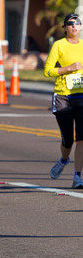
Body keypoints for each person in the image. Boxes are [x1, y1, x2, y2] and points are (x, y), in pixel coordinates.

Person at [44, 13, 83, 189]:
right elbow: (48, 71)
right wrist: (68, 68)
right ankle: (64, 159)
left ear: (81, 27)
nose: (74, 26)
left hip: (81, 96)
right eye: (70, 24)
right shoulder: (59, 45)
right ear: (65, 28)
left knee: (81, 137)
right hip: (63, 96)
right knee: (68, 139)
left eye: (77, 23)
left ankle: (77, 176)